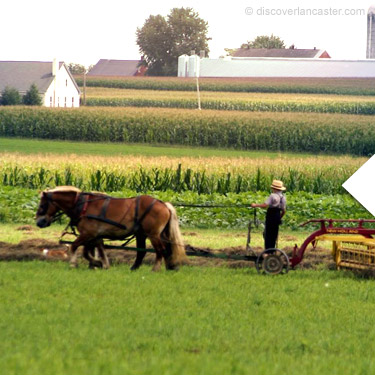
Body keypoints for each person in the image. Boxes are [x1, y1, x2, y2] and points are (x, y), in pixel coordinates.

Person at [251, 180, 286, 250]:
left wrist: (255, 205)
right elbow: (284, 211)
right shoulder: (283, 198)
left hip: (271, 215)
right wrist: (279, 218)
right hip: (277, 215)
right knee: (274, 234)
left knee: (268, 233)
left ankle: (267, 250)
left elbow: (265, 205)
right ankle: (272, 250)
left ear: (275, 189)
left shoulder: (272, 196)